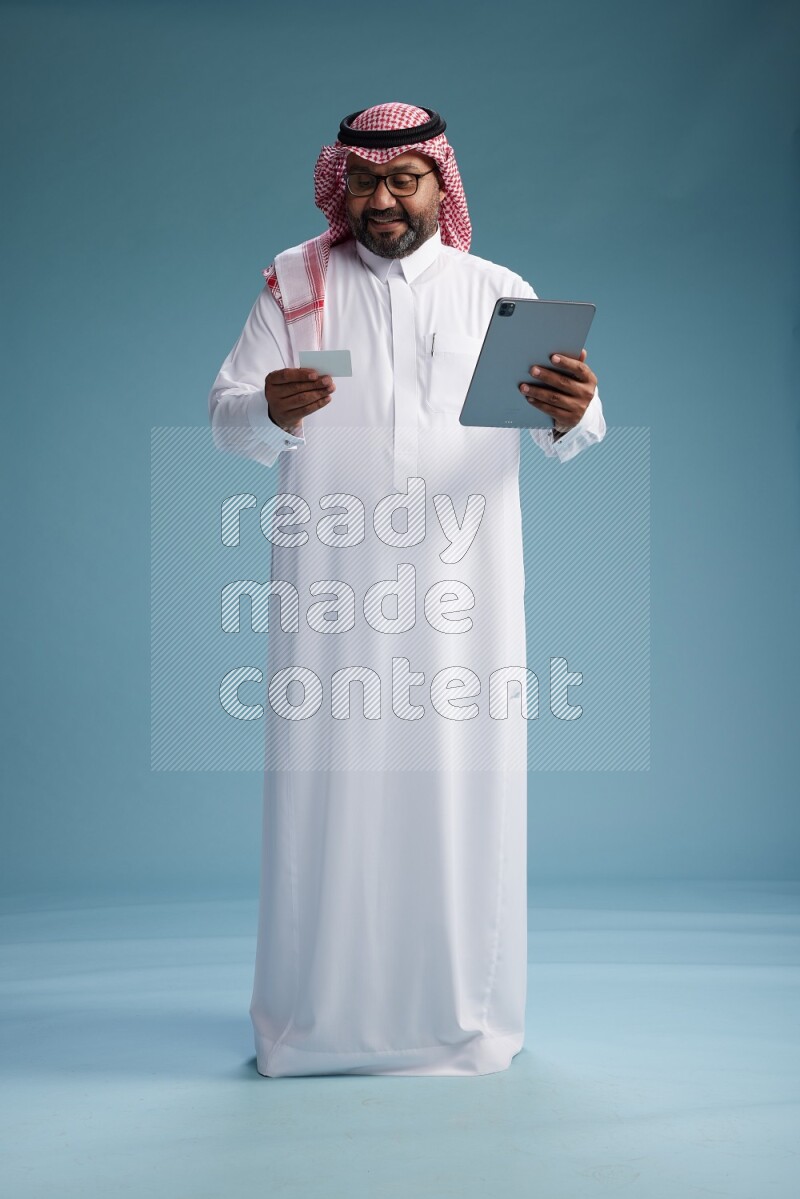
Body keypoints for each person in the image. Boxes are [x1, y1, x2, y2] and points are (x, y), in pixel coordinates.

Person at [208, 102, 606, 1078]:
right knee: (325, 800)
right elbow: (226, 415)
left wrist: (576, 411)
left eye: (403, 180)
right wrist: (268, 408)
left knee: (459, 798)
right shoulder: (296, 284)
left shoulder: (496, 293)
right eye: (364, 181)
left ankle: (460, 1024)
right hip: (330, 597)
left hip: (463, 601)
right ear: (339, 183)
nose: (381, 199)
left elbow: (572, 430)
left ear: (440, 184)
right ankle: (311, 1026)